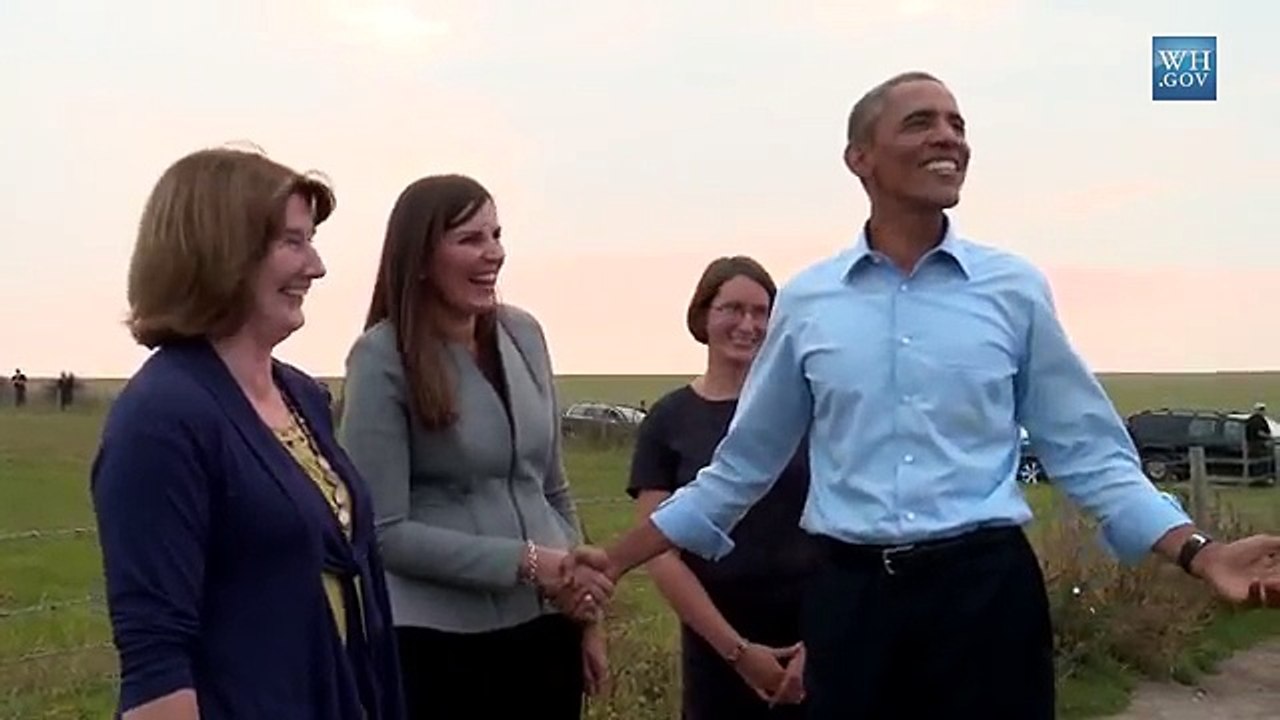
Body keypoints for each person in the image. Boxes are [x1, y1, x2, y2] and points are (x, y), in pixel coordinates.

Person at [567, 71, 1280, 719]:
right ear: (860, 158)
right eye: (920, 122)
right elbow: (739, 470)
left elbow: (1090, 454)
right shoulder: (811, 302)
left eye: (958, 123)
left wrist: (1200, 552)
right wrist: (615, 559)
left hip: (985, 599)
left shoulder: (1012, 290)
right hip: (852, 603)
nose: (948, 137)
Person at [90, 147, 405, 720]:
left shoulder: (302, 395)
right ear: (223, 252)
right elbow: (157, 664)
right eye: (293, 242)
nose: (317, 266)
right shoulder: (160, 420)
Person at [337, 174, 610, 720]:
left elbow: (551, 486)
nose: (495, 254)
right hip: (438, 646)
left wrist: (585, 613)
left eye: (497, 235)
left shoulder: (524, 335)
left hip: (544, 632)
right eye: (470, 239)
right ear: (419, 258)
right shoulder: (380, 359)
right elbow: (382, 532)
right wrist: (526, 563)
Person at [626, 255, 820, 718]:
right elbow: (659, 550)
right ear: (703, 317)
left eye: (760, 312)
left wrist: (821, 639)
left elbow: (844, 526)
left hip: (812, 637)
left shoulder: (808, 412)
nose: (747, 324)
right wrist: (737, 652)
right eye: (732, 308)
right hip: (717, 642)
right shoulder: (669, 420)